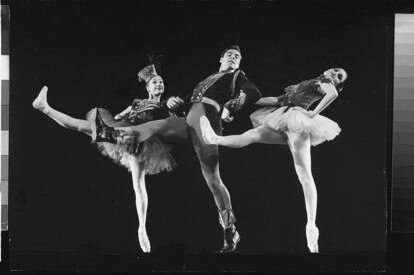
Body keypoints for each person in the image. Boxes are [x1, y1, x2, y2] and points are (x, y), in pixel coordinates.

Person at [91, 45, 262, 252]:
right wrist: (174, 101)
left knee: (213, 179)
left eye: (237, 56)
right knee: (155, 127)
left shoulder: (236, 75)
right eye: (230, 55)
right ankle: (111, 134)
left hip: (206, 120)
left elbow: (253, 92)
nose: (234, 58)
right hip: (189, 119)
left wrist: (231, 106)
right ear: (221, 59)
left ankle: (230, 230)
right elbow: (187, 100)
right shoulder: (208, 79)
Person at [32, 63, 184, 253]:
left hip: (144, 141)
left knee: (138, 184)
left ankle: (142, 228)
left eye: (161, 82)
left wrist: (174, 106)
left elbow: (173, 120)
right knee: (82, 126)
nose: (159, 84)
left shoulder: (164, 104)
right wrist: (115, 120)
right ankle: (45, 108)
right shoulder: (137, 102)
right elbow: (121, 115)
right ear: (148, 87)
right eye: (155, 82)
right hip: (123, 133)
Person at [199, 68, 348, 253]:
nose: (335, 73)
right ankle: (215, 139)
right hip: (283, 117)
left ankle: (311, 226)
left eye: (339, 76)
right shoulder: (307, 83)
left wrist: (313, 113)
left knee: (304, 174)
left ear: (337, 83)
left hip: (298, 121)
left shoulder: (323, 84)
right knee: (253, 135)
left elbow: (332, 93)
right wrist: (246, 99)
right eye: (335, 70)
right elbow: (276, 100)